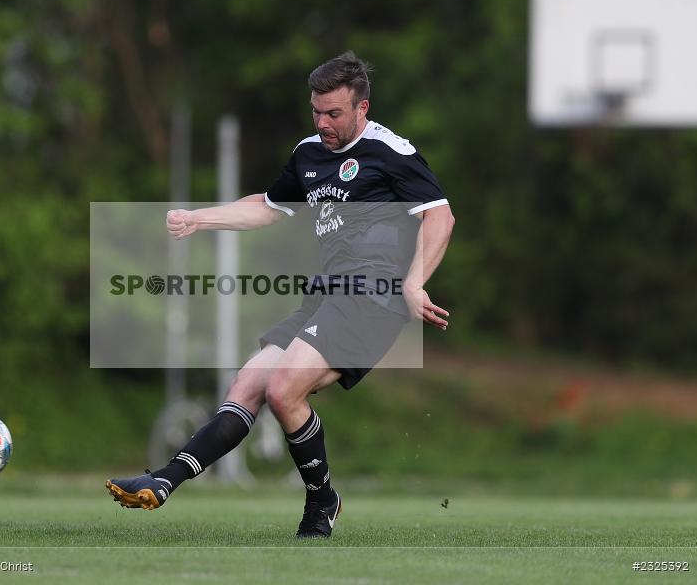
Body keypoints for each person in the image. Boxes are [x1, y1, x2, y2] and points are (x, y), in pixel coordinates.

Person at [106, 51, 454, 538]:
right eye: (316, 111)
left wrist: (414, 282)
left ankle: (320, 502)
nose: (323, 122)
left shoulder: (389, 151)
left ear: (362, 108)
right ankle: (164, 480)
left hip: (372, 298)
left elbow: (440, 214)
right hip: (326, 296)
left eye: (334, 113)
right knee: (246, 387)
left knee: (282, 388)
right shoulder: (309, 153)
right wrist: (198, 218)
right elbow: (267, 208)